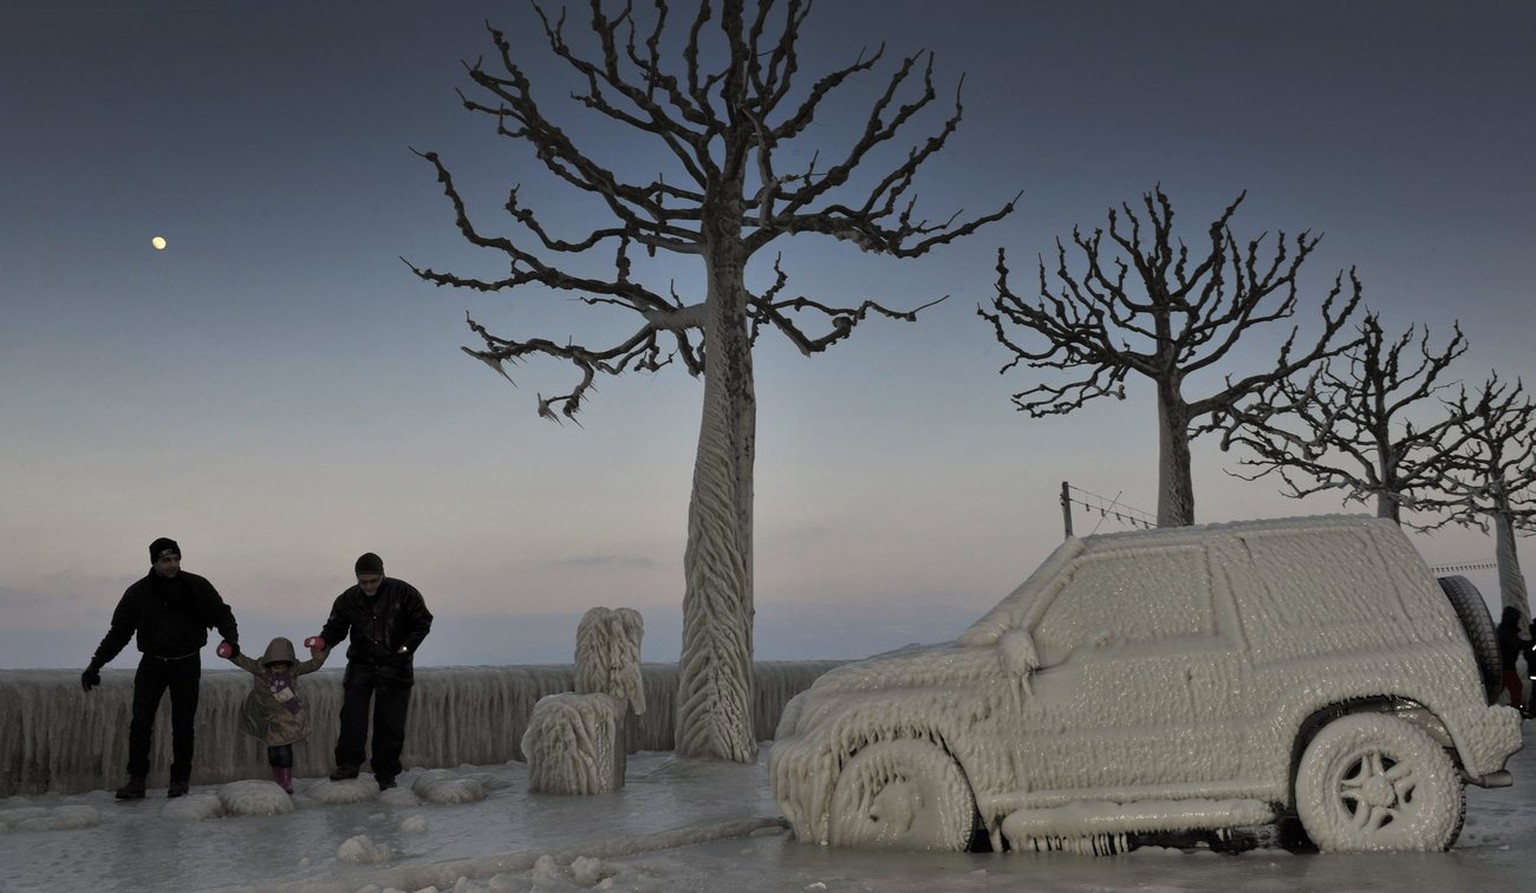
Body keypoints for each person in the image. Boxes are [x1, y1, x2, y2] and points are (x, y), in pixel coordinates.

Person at [81, 537, 240, 799]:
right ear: (154, 562)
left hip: (187, 662)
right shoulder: (138, 593)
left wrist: (231, 639)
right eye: (166, 560)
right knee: (140, 723)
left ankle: (179, 780)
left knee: (183, 725)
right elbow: (119, 633)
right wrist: (95, 664)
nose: (172, 565)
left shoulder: (196, 586)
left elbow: (222, 614)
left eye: (176, 559)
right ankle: (136, 780)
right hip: (152, 663)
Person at [312, 552, 432, 790]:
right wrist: (323, 642)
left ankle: (386, 772)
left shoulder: (405, 592)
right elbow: (335, 627)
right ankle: (348, 765)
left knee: (390, 724)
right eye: (363, 581)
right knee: (352, 718)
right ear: (357, 579)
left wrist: (404, 650)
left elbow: (423, 622)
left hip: (396, 667)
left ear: (382, 575)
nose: (368, 586)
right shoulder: (347, 599)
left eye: (373, 581)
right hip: (360, 665)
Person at [222, 636, 329, 793]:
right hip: (269, 715)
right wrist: (231, 653)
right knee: (276, 749)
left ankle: (284, 781)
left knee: (281, 748)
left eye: (283, 664)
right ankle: (281, 779)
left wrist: (319, 649)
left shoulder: (286, 669)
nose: (279, 668)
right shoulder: (266, 668)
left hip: (284, 716)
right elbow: (242, 660)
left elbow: (314, 664)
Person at [1495, 606, 1529, 714]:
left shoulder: (1503, 630)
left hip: (1504, 665)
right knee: (1516, 686)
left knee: (1501, 688)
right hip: (1507, 666)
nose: (1519, 621)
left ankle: (1493, 705)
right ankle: (1517, 708)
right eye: (1517, 619)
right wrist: (1533, 644)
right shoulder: (1508, 632)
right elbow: (1518, 644)